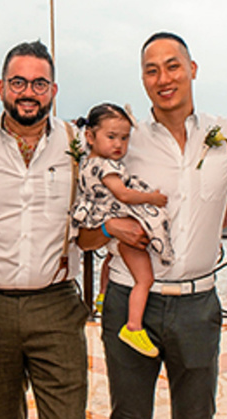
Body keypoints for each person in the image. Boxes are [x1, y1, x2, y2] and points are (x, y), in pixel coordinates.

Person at [78, 32, 227, 418]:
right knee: (129, 415)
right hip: (128, 300)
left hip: (198, 305)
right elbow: (85, 231)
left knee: (196, 414)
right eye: (151, 70)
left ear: (192, 69)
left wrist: (226, 214)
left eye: (173, 66)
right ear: (142, 79)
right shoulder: (124, 141)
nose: (163, 79)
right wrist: (111, 229)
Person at [0, 40, 88, 418]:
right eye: (18, 82)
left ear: (53, 91)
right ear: (1, 87)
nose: (29, 93)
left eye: (39, 84)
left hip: (56, 303)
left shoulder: (78, 145)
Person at [71, 103, 171, 358]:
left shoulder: (86, 162)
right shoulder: (106, 166)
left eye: (125, 138)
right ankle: (134, 326)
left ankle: (102, 296)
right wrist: (152, 198)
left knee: (112, 258)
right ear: (91, 136)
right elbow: (123, 194)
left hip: (98, 222)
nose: (119, 145)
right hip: (117, 222)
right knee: (145, 279)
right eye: (112, 137)